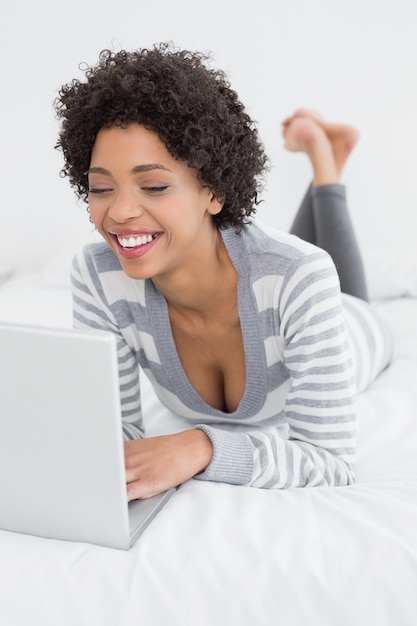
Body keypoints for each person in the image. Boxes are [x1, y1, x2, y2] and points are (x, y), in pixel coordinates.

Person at [54, 44, 392, 500]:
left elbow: (330, 460)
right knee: (281, 263)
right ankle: (321, 155)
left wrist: (202, 446)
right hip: (268, 275)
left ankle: (325, 161)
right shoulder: (97, 275)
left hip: (355, 326)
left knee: (316, 273)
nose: (120, 211)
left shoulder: (302, 276)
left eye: (153, 185)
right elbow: (113, 432)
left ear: (213, 192)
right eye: (100, 187)